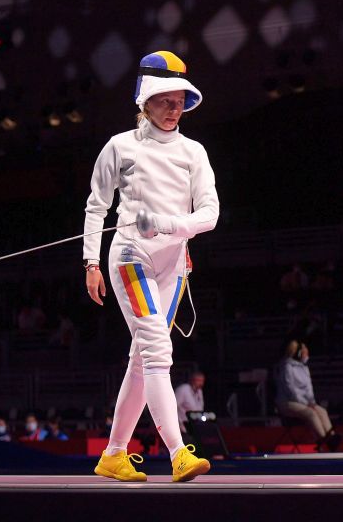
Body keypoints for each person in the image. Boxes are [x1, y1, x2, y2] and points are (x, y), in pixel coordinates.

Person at [84, 51, 219, 483]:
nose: (173, 108)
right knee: (158, 351)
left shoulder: (194, 152)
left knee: (143, 360)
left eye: (179, 100)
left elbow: (210, 214)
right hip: (130, 257)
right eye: (164, 99)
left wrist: (168, 226)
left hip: (174, 263)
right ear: (144, 101)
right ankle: (179, 453)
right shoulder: (120, 146)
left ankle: (114, 455)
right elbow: (96, 206)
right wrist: (90, 261)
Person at [273, 340, 341, 452]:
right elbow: (291, 390)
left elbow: (309, 389)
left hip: (303, 403)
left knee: (322, 411)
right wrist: (306, 404)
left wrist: (312, 402)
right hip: (287, 403)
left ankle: (331, 438)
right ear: (297, 353)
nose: (307, 354)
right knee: (311, 413)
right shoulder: (286, 367)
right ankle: (323, 439)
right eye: (305, 352)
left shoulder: (304, 368)